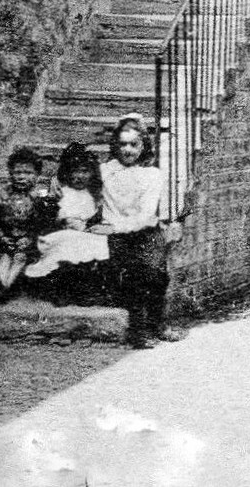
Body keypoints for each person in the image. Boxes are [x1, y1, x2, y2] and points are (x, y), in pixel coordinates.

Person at [89, 115, 184, 348]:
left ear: (143, 146)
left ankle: (156, 324)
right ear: (115, 145)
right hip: (115, 234)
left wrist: (117, 226)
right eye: (122, 144)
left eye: (134, 144)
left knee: (156, 272)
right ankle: (137, 330)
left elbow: (145, 214)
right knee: (133, 273)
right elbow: (74, 183)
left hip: (142, 230)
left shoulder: (152, 175)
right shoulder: (104, 171)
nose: (128, 150)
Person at [23, 143, 110, 294]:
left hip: (85, 234)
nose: (79, 176)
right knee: (68, 242)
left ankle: (85, 288)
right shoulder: (63, 192)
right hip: (64, 234)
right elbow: (57, 216)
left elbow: (94, 217)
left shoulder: (93, 195)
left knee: (97, 242)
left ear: (92, 173)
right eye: (75, 171)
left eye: (85, 171)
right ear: (67, 173)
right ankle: (63, 289)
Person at [0, 148, 58, 297]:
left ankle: (10, 286)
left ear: (37, 175)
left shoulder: (40, 197)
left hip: (29, 241)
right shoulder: (4, 193)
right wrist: (1, 236)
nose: (21, 177)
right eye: (17, 172)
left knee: (21, 257)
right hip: (5, 238)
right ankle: (2, 285)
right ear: (10, 173)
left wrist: (30, 239)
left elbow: (44, 223)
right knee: (5, 257)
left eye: (28, 173)